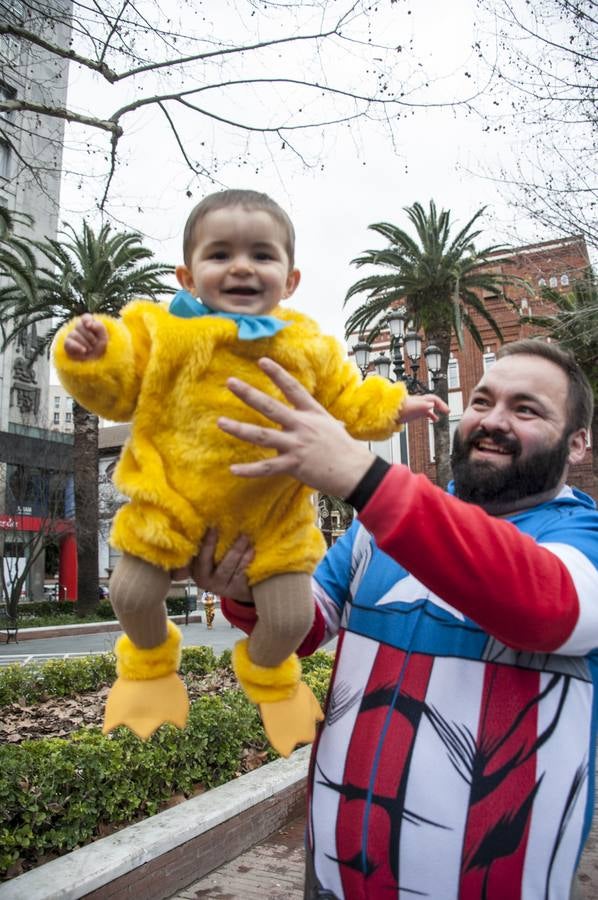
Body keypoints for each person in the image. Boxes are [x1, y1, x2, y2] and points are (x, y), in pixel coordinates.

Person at [194, 340, 598, 899]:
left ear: (579, 442)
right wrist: (245, 584)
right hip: (332, 878)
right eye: (482, 401)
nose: (492, 421)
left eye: (526, 410)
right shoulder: (372, 532)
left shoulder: (582, 541)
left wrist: (362, 475)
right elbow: (304, 628)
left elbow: (546, 607)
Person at [52, 189, 444, 752]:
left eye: (261, 255)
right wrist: (88, 359)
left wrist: (394, 405)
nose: (241, 266)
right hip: (170, 507)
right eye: (220, 255)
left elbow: (347, 399)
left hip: (271, 525)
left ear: (291, 280)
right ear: (187, 276)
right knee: (131, 595)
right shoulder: (160, 332)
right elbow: (115, 392)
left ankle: (268, 680)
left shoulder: (307, 346)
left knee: (288, 621)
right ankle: (150, 670)